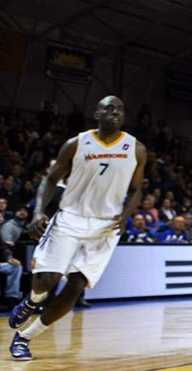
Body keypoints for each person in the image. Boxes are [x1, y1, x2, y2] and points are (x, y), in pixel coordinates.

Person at [8, 97, 147, 361]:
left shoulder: (137, 149)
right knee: (47, 281)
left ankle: (24, 337)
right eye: (107, 107)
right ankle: (31, 301)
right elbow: (50, 180)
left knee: (75, 287)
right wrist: (38, 212)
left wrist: (127, 215)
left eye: (119, 108)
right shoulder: (77, 143)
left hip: (106, 226)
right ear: (96, 113)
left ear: (124, 115)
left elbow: (138, 188)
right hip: (71, 217)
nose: (113, 112)